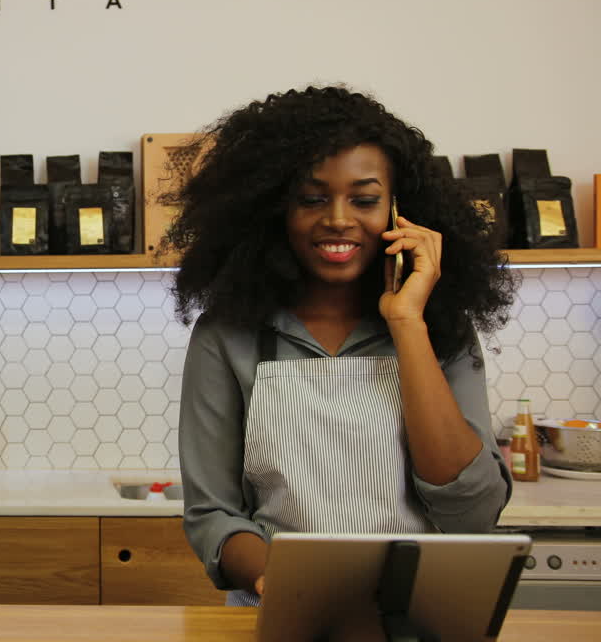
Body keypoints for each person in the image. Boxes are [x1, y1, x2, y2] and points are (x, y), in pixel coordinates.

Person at [168, 86, 516, 606]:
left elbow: (471, 511)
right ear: (273, 212)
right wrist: (280, 581)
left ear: (402, 211)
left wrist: (406, 323)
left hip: (417, 614)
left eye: (365, 199)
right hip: (280, 613)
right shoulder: (230, 335)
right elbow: (213, 514)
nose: (337, 218)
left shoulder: (440, 329)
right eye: (311, 199)